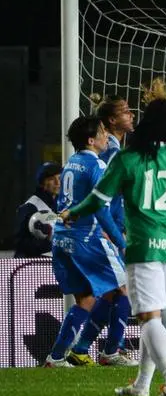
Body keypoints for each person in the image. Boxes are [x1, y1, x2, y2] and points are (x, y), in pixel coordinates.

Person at [61, 99, 166, 396]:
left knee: (149, 318)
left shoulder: (128, 159)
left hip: (143, 245)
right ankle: (142, 385)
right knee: (154, 317)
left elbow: (97, 200)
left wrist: (72, 212)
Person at [45, 117, 128, 368]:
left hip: (62, 238)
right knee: (125, 288)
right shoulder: (97, 165)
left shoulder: (71, 163)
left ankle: (56, 357)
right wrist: (120, 241)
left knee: (87, 299)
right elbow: (101, 211)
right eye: (102, 133)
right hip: (85, 238)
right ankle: (111, 352)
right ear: (91, 140)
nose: (106, 137)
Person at [91, 92, 135, 234]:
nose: (132, 115)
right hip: (107, 231)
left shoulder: (107, 148)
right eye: (125, 111)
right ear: (112, 120)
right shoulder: (111, 152)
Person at [14, 162, 61, 258]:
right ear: (42, 183)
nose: (57, 183)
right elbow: (20, 244)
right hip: (31, 266)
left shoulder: (60, 204)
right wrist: (48, 243)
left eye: (60, 178)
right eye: (52, 179)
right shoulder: (29, 207)